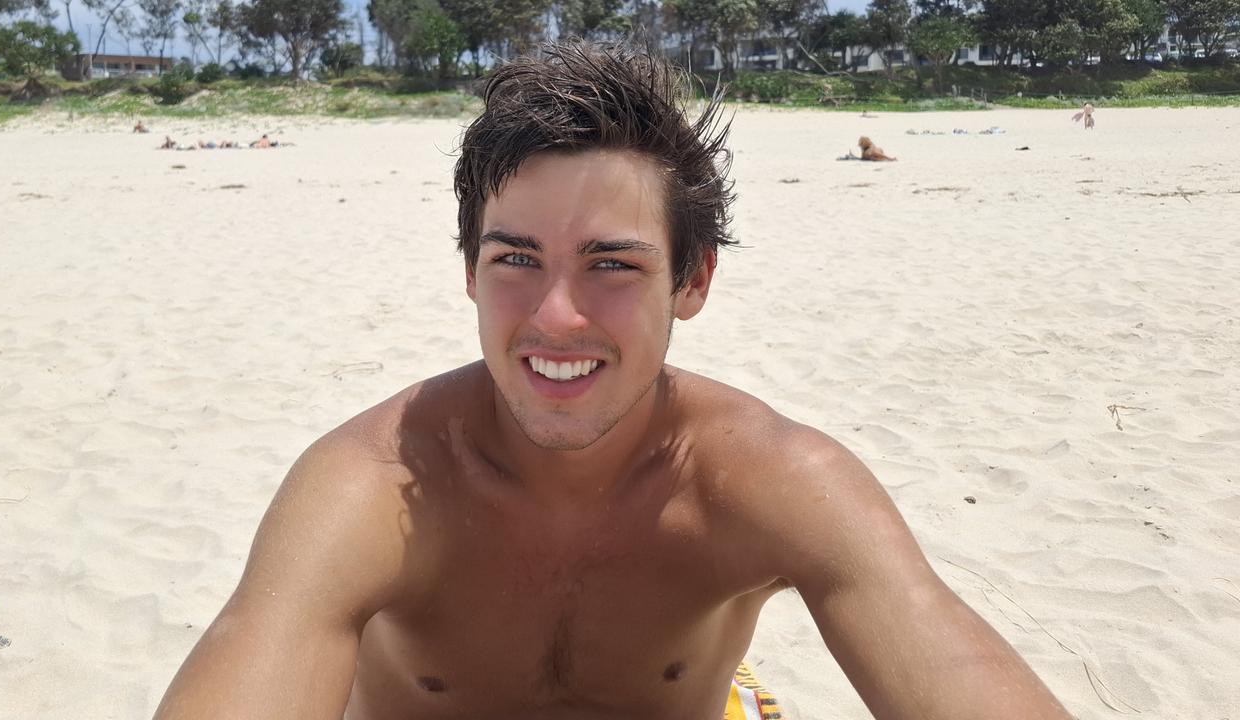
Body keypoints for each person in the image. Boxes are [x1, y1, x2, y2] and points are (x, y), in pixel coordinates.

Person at [154, 42, 1072, 720]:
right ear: (470, 271)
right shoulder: (373, 485)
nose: (557, 317)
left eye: (613, 265)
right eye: (516, 257)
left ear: (693, 280)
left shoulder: (768, 478)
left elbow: (941, 654)